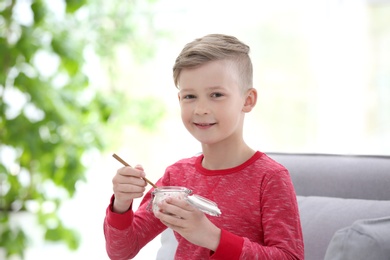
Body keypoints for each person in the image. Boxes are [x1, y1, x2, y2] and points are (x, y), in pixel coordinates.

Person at [103, 34, 304, 259]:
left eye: (216, 95)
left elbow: (290, 256)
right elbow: (122, 251)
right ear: (179, 100)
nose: (200, 109)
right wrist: (121, 203)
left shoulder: (270, 178)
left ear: (247, 100)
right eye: (190, 96)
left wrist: (211, 237)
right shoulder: (176, 176)